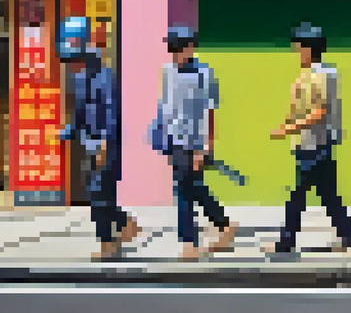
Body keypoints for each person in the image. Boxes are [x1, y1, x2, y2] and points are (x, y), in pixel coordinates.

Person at [149, 25, 236, 261]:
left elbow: (209, 113)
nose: (175, 53)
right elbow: (164, 107)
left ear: (190, 47)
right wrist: (162, 138)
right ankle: (224, 224)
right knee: (191, 187)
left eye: (178, 47)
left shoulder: (203, 74)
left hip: (194, 142)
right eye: (171, 48)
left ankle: (190, 242)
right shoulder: (167, 71)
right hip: (174, 141)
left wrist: (205, 148)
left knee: (184, 190)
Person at [271, 22, 351, 255]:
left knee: (297, 196)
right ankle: (348, 234)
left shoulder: (322, 75)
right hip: (309, 143)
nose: (296, 52)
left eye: (299, 47)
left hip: (316, 144)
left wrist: (287, 130)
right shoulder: (311, 73)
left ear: (309, 49)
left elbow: (319, 111)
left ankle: (286, 241)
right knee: (327, 194)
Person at [59, 16, 140, 260]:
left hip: (107, 144)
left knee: (100, 193)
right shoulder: (79, 78)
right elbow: (80, 111)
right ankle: (124, 224)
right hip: (88, 142)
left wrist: (105, 142)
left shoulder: (105, 77)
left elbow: (112, 112)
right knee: (95, 195)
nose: (71, 64)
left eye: (73, 58)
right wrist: (69, 131)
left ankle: (108, 243)